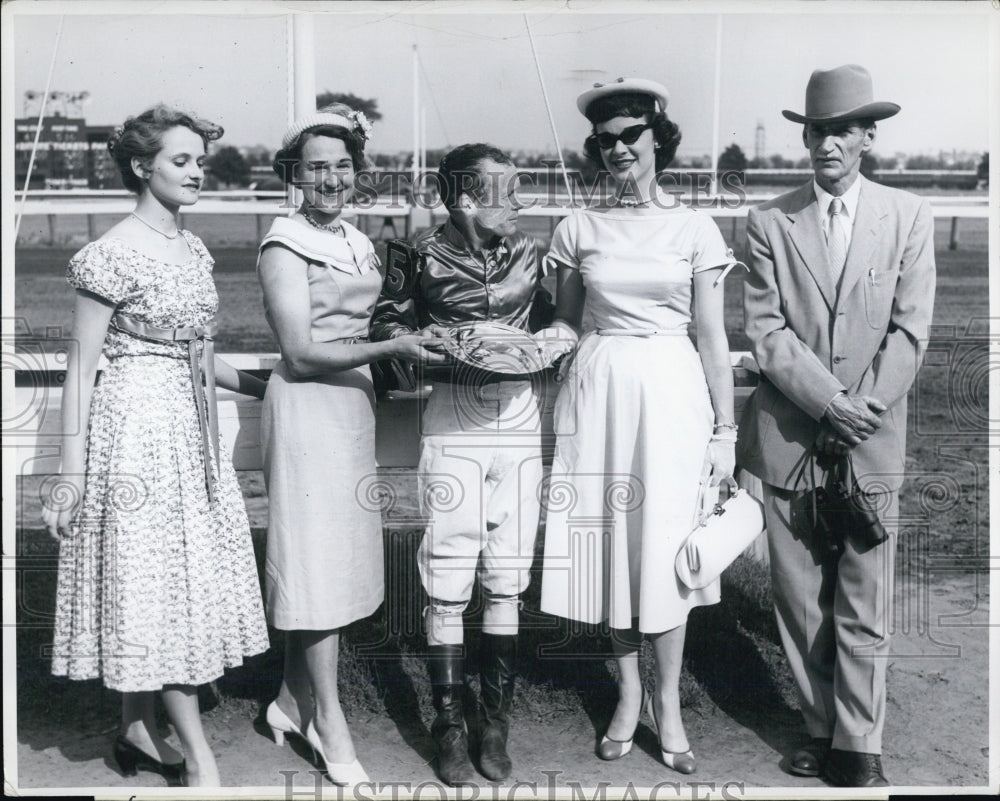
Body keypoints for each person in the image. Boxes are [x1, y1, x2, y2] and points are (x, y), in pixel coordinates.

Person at [41, 105, 271, 787]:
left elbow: (198, 352)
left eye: (200, 160)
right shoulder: (111, 251)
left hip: (188, 426)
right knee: (158, 587)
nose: (197, 171)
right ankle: (200, 761)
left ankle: (137, 728)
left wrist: (266, 384)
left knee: (172, 581)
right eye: (182, 160)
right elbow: (80, 370)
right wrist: (69, 474)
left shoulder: (192, 246)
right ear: (143, 166)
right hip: (134, 429)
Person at [737, 64, 936, 787]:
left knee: (863, 590)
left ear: (867, 136)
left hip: (871, 438)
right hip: (789, 438)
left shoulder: (907, 216)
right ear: (806, 137)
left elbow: (910, 333)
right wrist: (828, 402)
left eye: (841, 130)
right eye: (816, 130)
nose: (827, 143)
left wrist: (858, 411)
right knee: (799, 598)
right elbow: (765, 330)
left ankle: (858, 737)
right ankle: (819, 724)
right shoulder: (768, 222)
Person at [538, 78, 741, 775]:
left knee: (668, 551)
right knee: (612, 553)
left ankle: (670, 703)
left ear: (658, 140)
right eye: (606, 139)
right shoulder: (576, 228)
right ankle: (628, 695)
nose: (618, 147)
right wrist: (527, 349)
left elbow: (712, 336)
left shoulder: (695, 227)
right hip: (598, 395)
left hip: (673, 395)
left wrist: (726, 432)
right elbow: (565, 322)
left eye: (631, 135)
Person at [256, 104, 445, 786]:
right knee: (314, 566)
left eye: (342, 165)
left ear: (356, 172)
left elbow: (379, 320)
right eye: (316, 167)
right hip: (308, 408)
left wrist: (401, 359)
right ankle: (328, 719)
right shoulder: (283, 243)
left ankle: (285, 700)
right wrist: (394, 344)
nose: (332, 177)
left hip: (355, 407)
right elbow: (302, 353)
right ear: (294, 176)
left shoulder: (360, 241)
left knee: (331, 559)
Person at [369, 143, 551, 785]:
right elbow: (386, 350)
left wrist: (549, 345)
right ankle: (448, 723)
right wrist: (451, 357)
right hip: (453, 417)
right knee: (448, 567)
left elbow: (555, 329)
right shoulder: (412, 253)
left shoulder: (532, 252)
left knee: (508, 570)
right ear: (466, 199)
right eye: (510, 191)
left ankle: (494, 722)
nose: (523, 202)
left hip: (521, 420)